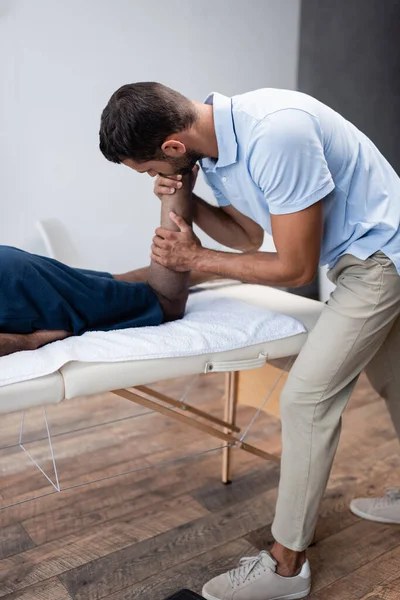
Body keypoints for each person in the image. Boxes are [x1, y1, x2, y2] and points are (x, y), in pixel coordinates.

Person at [99, 82, 400, 600]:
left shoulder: (275, 133)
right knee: (394, 378)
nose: (153, 179)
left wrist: (195, 261)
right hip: (364, 257)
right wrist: (182, 191)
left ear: (173, 145)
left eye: (150, 170)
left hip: (380, 261)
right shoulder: (214, 151)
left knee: (306, 399)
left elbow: (295, 267)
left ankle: (287, 569)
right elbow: (248, 237)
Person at [0, 174, 207, 357]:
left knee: (164, 304)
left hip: (12, 295)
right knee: (113, 283)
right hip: (9, 268)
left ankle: (176, 171)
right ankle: (216, 271)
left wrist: (30, 341)